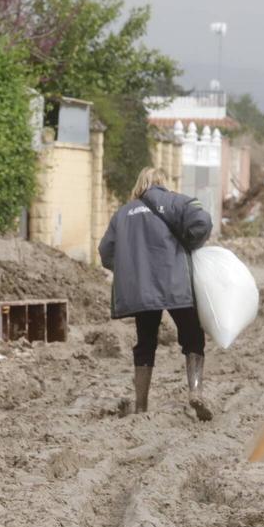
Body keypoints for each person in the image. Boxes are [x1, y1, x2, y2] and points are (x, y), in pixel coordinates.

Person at [98, 167, 214, 421]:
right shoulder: (176, 201)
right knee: (192, 336)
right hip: (175, 284)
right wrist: (189, 245)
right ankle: (195, 391)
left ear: (140, 184)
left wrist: (130, 269)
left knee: (146, 342)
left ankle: (141, 405)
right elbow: (202, 222)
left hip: (142, 290)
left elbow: (106, 251)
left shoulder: (122, 214)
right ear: (163, 182)